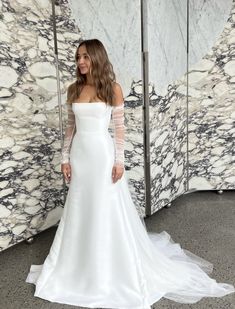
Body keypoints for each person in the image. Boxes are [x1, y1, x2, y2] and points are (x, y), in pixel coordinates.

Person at [26, 39, 235, 308]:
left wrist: (119, 161)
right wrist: (65, 157)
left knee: (104, 207)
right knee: (80, 207)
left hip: (102, 155)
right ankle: (75, 264)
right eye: (78, 57)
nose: (80, 62)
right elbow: (70, 128)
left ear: (98, 58)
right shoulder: (73, 89)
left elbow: (120, 129)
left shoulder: (112, 89)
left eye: (86, 57)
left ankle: (107, 267)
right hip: (80, 156)